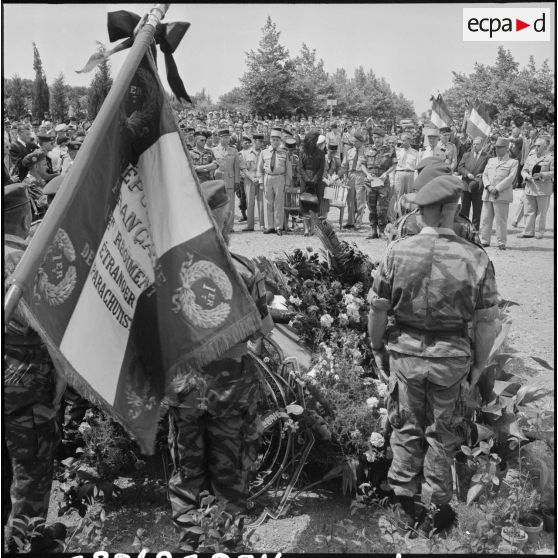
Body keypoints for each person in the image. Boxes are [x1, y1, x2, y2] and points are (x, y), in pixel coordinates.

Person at [368, 175, 499, 531]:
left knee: (406, 429)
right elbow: (487, 321)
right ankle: (437, 514)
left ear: (428, 211)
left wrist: (377, 347)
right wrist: (479, 366)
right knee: (442, 436)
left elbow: (378, 309)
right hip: (451, 360)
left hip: (406, 357)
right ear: (452, 211)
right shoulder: (476, 257)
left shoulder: (397, 250)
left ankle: (404, 508)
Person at [167, 181, 274, 548]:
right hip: (230, 389)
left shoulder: (170, 272)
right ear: (225, 219)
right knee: (229, 473)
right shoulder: (242, 272)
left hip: (186, 387)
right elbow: (264, 330)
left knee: (188, 470)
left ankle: (189, 540)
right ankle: (226, 542)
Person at [4, 184, 64, 550]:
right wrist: (60, 379)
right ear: (26, 216)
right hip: (27, 381)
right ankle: (24, 544)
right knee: (31, 467)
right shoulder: (26, 261)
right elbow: (49, 329)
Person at [479, 137, 518, 250]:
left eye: (500, 147)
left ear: (506, 148)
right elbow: (484, 174)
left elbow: (510, 178)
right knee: (486, 219)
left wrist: (497, 188)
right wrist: (488, 186)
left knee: (501, 220)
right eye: (496, 147)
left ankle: (501, 242)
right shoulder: (491, 160)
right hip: (488, 193)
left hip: (501, 194)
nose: (497, 149)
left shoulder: (513, 162)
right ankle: (485, 240)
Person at [256, 127, 292, 235]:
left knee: (279, 203)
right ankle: (269, 226)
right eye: (273, 140)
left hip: (280, 178)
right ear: (270, 140)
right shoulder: (264, 152)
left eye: (277, 140)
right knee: (268, 202)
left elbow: (288, 170)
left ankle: (278, 227)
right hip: (268, 178)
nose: (275, 142)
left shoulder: (285, 153)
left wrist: (287, 183)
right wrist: (261, 182)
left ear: (280, 141)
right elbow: (259, 169)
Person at [518, 137, 554, 239]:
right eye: (535, 146)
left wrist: (542, 174)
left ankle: (539, 232)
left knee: (541, 212)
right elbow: (523, 170)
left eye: (539, 146)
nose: (536, 148)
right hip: (530, 188)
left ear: (544, 147)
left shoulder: (550, 158)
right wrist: (526, 176)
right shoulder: (531, 156)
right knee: (528, 211)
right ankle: (528, 231)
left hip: (543, 189)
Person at [212, 129, 241, 234]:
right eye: (224, 137)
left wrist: (237, 181)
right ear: (220, 138)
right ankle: (219, 226)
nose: (226, 139)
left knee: (230, 205)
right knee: (219, 205)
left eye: (228, 137)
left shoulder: (234, 151)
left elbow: (236, 168)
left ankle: (229, 226)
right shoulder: (214, 150)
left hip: (230, 180)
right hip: (218, 181)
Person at [457, 136, 489, 231]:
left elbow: (489, 170)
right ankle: (464, 228)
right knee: (464, 209)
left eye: (477, 144)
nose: (475, 146)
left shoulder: (486, 156)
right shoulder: (466, 155)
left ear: (482, 145)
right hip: (466, 185)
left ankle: (475, 229)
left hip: (478, 186)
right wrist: (467, 174)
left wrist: (483, 174)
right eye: (473, 144)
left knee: (477, 209)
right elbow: (460, 167)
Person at [298, 131, 325, 236]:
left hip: (316, 181)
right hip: (304, 181)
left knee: (315, 204)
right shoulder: (302, 151)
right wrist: (307, 179)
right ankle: (305, 229)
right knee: (304, 204)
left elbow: (321, 168)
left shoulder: (321, 152)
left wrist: (314, 179)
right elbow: (300, 167)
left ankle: (313, 228)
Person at [339, 131, 368, 229]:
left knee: (360, 200)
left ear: (361, 141)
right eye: (352, 142)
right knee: (350, 200)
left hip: (361, 175)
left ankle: (358, 222)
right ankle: (350, 221)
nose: (353, 143)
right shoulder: (350, 151)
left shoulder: (367, 152)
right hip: (351, 175)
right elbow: (344, 166)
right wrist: (339, 175)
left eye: (355, 142)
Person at [239, 135, 261, 232]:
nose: (258, 143)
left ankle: (263, 225)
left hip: (260, 180)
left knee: (262, 203)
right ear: (254, 141)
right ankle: (250, 225)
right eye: (256, 141)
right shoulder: (244, 153)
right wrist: (252, 178)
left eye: (260, 141)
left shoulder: (264, 153)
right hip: (249, 180)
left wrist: (259, 178)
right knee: (250, 203)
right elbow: (243, 168)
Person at [21, 150, 50, 219]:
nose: (47, 167)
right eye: (45, 165)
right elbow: (47, 202)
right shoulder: (29, 184)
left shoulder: (39, 180)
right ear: (36, 166)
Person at [393, 132, 418, 200]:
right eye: (402, 140)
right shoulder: (397, 152)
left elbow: (417, 167)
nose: (402, 142)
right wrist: (392, 180)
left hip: (410, 174)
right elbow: (394, 166)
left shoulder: (415, 153)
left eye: (404, 140)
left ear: (409, 141)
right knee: (398, 196)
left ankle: (408, 210)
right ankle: (398, 210)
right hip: (399, 174)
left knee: (410, 196)